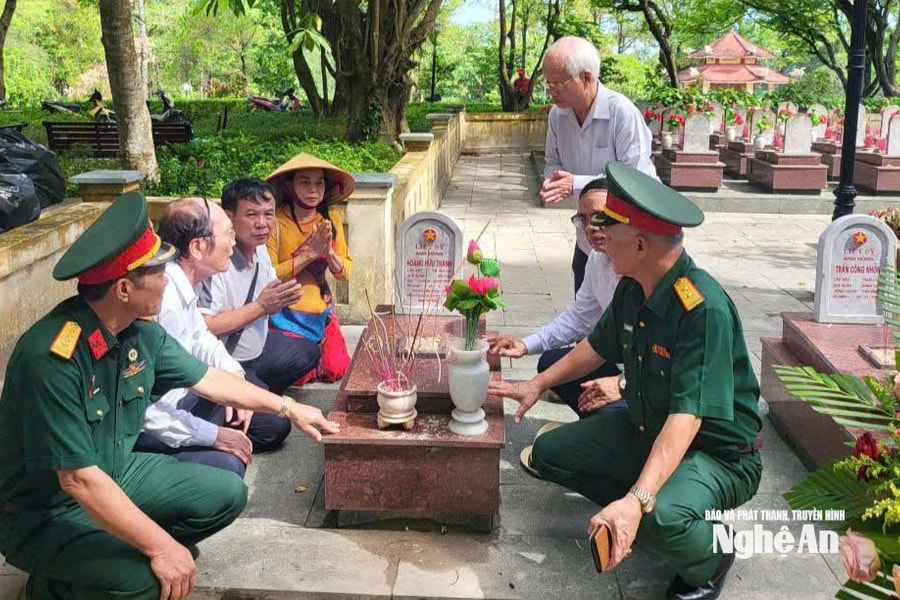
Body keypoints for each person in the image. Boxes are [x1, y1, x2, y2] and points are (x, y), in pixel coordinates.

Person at [0, 192, 338, 600]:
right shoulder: (53, 357)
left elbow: (209, 380)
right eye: (158, 270)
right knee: (145, 583)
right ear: (124, 288)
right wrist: (161, 547)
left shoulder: (139, 332)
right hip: (46, 509)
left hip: (116, 470)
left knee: (225, 494)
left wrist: (291, 407)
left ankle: (115, 552)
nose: (168, 277)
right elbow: (76, 479)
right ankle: (58, 585)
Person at [490, 162, 763, 600]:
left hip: (718, 455)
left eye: (607, 232)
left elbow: (687, 419)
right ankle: (651, 505)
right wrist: (538, 383)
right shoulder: (634, 286)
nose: (598, 242)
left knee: (654, 517)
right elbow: (595, 348)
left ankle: (710, 552)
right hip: (645, 428)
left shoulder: (702, 308)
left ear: (639, 243)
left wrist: (637, 500)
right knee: (547, 454)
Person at [133, 196, 291, 478]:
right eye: (228, 233)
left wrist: (233, 378)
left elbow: (201, 337)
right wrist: (212, 435)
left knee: (273, 425)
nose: (233, 242)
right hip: (160, 420)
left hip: (193, 397)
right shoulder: (162, 299)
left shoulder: (185, 284)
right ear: (198, 247)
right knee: (229, 470)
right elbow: (150, 411)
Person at [487, 178, 623, 419]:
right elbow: (578, 319)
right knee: (552, 362)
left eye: (600, 217)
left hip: (651, 382)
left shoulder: (645, 273)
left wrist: (623, 384)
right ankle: (601, 428)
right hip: (621, 362)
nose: (591, 227)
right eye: (583, 219)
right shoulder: (597, 260)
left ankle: (619, 434)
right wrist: (526, 345)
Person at [539, 35, 657, 294]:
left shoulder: (622, 113)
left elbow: (635, 178)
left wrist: (575, 183)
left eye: (558, 83)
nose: (551, 90)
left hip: (629, 239)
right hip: (587, 240)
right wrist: (553, 181)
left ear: (587, 77)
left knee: (626, 322)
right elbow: (552, 162)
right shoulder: (557, 117)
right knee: (583, 318)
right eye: (548, 82)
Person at [198, 178, 317, 394]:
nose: (262, 223)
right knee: (276, 427)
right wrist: (261, 307)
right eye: (251, 215)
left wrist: (285, 296)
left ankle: (257, 391)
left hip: (256, 352)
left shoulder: (261, 249)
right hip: (223, 363)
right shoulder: (214, 260)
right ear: (228, 216)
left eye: (268, 214)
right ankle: (243, 399)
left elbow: (271, 292)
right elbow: (204, 326)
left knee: (308, 351)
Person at [265, 153, 354, 380]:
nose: (313, 190)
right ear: (289, 186)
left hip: (321, 311)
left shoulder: (330, 219)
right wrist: (308, 254)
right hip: (284, 313)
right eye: (305, 182)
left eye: (319, 183)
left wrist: (329, 253)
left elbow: (345, 272)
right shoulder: (275, 222)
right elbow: (270, 274)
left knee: (334, 369)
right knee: (299, 374)